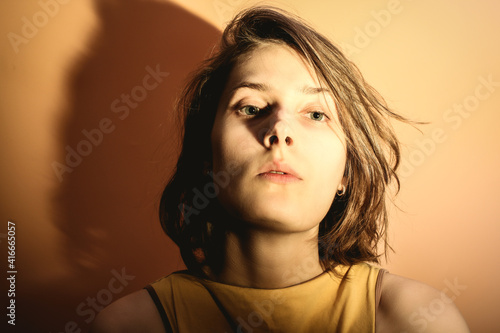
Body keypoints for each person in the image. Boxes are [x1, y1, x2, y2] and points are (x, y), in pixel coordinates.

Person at [91, 6, 469, 333]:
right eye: (251, 108)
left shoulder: (416, 320)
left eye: (316, 114)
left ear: (346, 173)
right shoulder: (130, 326)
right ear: (207, 158)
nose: (279, 131)